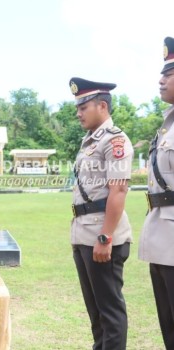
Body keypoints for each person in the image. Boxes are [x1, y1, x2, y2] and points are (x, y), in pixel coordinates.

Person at [69, 77, 133, 350]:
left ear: (102, 106)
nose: (78, 113)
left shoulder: (114, 140)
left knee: (110, 313)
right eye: (78, 107)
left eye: (84, 107)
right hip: (84, 233)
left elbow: (118, 192)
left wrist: (105, 237)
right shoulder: (89, 141)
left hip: (103, 237)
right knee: (96, 314)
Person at [139, 36, 174, 349]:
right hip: (163, 237)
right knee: (169, 327)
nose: (161, 79)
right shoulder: (167, 125)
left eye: (169, 73)